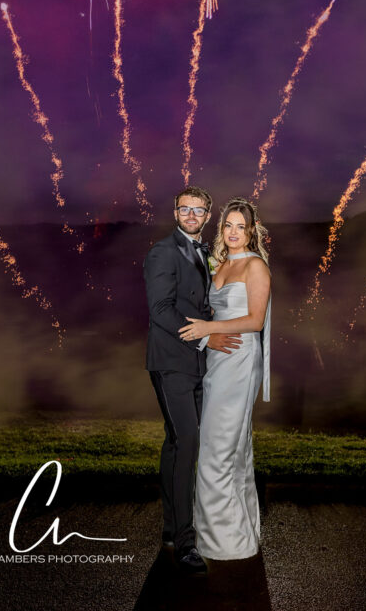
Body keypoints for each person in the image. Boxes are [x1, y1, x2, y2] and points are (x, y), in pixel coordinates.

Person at [143, 187, 243, 572]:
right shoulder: (163, 252)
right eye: (183, 208)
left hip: (198, 362)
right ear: (174, 211)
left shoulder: (204, 252)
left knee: (175, 442)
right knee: (188, 441)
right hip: (171, 361)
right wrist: (206, 335)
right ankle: (186, 542)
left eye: (197, 210)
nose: (189, 215)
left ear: (206, 216)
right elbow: (160, 310)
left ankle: (171, 528)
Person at [179, 196, 271, 561]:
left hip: (240, 362)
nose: (233, 232)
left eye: (240, 226)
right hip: (216, 361)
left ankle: (223, 544)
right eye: (228, 225)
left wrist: (208, 327)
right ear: (222, 229)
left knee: (219, 450)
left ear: (251, 232)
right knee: (225, 448)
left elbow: (255, 321)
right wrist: (206, 334)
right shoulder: (219, 267)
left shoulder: (256, 268)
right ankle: (236, 533)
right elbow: (205, 311)